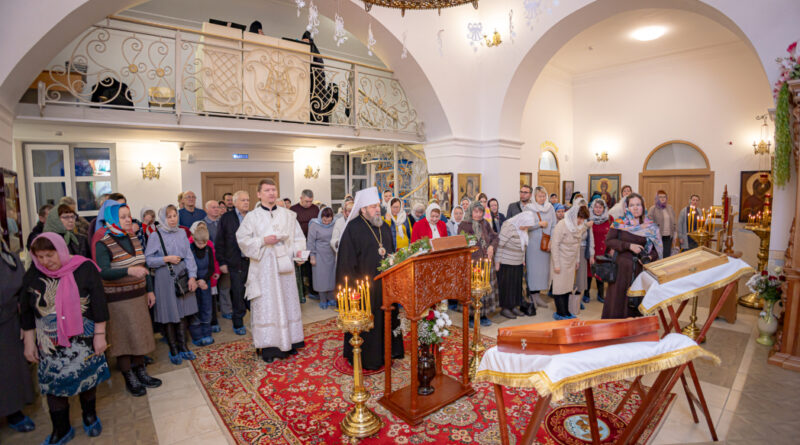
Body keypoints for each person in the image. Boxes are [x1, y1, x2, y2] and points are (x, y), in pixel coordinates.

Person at [21, 234, 110, 444]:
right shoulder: (34, 273)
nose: (45, 261)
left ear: (60, 250)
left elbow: (99, 305)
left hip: (83, 338)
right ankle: (61, 429)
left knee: (86, 379)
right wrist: (28, 342)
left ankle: (89, 416)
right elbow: (26, 311)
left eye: (50, 255)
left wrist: (100, 335)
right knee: (54, 386)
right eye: (39, 256)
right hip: (49, 342)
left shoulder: (84, 268)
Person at [95, 202, 160, 396]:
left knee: (139, 335)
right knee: (123, 339)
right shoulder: (103, 243)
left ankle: (141, 372)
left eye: (128, 216)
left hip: (138, 296)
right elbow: (104, 272)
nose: (127, 220)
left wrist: (150, 290)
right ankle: (129, 375)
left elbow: (143, 265)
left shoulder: (133, 237)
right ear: (112, 219)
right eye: (122, 217)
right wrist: (128, 270)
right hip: (118, 301)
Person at [238, 179, 307, 363]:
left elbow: (298, 238)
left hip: (285, 268)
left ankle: (291, 342)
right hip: (264, 270)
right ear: (259, 194)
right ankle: (270, 346)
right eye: (267, 190)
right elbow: (242, 240)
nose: (271, 193)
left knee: (287, 302)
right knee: (268, 306)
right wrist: (262, 241)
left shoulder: (288, 215)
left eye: (273, 189)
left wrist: (299, 255)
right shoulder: (251, 217)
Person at [335, 187, 404, 370]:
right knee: (369, 323)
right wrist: (351, 291)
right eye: (373, 206)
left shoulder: (385, 226)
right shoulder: (353, 228)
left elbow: (389, 253)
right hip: (364, 288)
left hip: (385, 285)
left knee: (388, 319)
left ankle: (388, 352)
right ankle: (368, 358)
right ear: (363, 209)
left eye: (378, 205)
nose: (377, 209)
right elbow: (346, 263)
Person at [146, 205, 199, 364]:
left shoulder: (182, 232)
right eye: (169, 216)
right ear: (163, 218)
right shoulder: (155, 236)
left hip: (182, 275)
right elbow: (148, 260)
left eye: (175, 215)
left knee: (183, 312)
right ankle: (173, 348)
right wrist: (166, 259)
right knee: (169, 313)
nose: (173, 219)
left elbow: (189, 256)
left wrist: (192, 276)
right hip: (165, 277)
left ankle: (183, 346)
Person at [602, 193, 662, 319]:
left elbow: (656, 249)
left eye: (638, 205)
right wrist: (628, 246)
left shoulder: (650, 226)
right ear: (627, 208)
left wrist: (650, 257)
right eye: (632, 205)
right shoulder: (619, 223)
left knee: (637, 303)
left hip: (641, 271)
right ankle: (616, 330)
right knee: (618, 301)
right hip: (621, 270)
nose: (635, 208)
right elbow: (609, 241)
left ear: (643, 207)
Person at [1, 238, 35, 435]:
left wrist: (25, 322)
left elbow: (23, 293)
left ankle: (14, 411)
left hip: (9, 324)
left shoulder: (10, 260)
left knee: (10, 371)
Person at [458, 202, 499, 326]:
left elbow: (495, 237)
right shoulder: (464, 225)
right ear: (471, 211)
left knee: (485, 289)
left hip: (485, 262)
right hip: (472, 263)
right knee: (472, 290)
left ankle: (484, 314)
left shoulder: (485, 223)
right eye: (475, 211)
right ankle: (471, 316)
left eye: (480, 212)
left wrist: (492, 246)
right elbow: (460, 243)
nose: (478, 214)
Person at [215, 190, 250, 335]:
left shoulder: (253, 216)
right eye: (243, 200)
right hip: (235, 261)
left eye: (248, 200)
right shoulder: (227, 218)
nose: (246, 203)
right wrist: (222, 262)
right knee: (237, 292)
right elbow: (220, 241)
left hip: (252, 261)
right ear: (235, 202)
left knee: (253, 292)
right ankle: (238, 323)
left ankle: (258, 320)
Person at [550, 203, 591, 320]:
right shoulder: (562, 224)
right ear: (574, 215)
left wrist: (577, 260)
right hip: (560, 260)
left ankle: (567, 312)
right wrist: (556, 264)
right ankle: (560, 313)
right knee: (559, 287)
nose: (581, 221)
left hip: (571, 261)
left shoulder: (579, 226)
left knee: (567, 287)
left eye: (583, 219)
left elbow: (577, 245)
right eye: (580, 218)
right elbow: (554, 245)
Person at [496, 211, 536, 319]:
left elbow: (523, 245)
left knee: (516, 286)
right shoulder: (508, 226)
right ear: (521, 220)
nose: (525, 228)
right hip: (506, 261)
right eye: (525, 225)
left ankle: (514, 306)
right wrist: (497, 262)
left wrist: (523, 259)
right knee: (507, 286)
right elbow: (500, 244)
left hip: (518, 262)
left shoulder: (523, 228)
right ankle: (505, 308)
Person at [187, 222, 219, 347]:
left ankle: (207, 333)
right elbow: (188, 266)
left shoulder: (209, 249)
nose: (201, 246)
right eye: (199, 243)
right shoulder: (189, 248)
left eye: (204, 243)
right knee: (195, 308)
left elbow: (211, 268)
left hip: (205, 282)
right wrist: (195, 280)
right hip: (193, 282)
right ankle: (197, 335)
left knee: (206, 307)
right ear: (194, 239)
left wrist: (204, 280)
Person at [526, 186, 557, 309]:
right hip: (533, 244)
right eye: (539, 196)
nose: (542, 198)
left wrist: (552, 241)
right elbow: (525, 225)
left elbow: (554, 225)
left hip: (546, 243)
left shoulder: (550, 208)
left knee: (543, 271)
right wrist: (538, 224)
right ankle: (532, 296)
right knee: (533, 271)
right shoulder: (528, 208)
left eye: (544, 196)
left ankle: (538, 295)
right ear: (534, 196)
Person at [291, 189, 319, 299]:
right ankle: (301, 292)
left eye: (310, 201)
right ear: (301, 198)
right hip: (299, 245)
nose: (309, 204)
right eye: (306, 201)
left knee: (312, 268)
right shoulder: (293, 209)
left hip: (313, 243)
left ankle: (313, 290)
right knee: (301, 268)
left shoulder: (315, 208)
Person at [308, 206, 337, 309]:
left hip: (332, 254)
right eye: (324, 220)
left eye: (329, 220)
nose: (326, 223)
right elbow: (310, 242)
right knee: (321, 278)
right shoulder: (314, 225)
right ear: (321, 217)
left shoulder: (335, 224)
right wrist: (312, 256)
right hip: (319, 255)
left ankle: (331, 297)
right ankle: (323, 299)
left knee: (331, 277)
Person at [588, 198, 613, 303]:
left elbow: (613, 235)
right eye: (596, 207)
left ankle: (600, 294)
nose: (598, 210)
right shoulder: (588, 219)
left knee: (601, 273)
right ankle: (586, 293)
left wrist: (612, 248)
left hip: (604, 250)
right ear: (592, 208)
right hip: (591, 249)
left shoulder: (610, 218)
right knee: (588, 273)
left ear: (604, 208)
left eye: (600, 207)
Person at [573, 198, 595, 311]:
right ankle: (572, 301)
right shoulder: (573, 219)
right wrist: (585, 226)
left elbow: (590, 238)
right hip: (574, 250)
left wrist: (591, 254)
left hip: (583, 251)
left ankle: (579, 300)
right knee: (573, 279)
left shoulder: (587, 218)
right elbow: (575, 235)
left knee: (581, 279)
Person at [648, 190, 677, 259]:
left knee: (666, 256)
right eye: (660, 197)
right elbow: (649, 224)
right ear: (657, 198)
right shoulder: (653, 209)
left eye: (664, 197)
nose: (663, 198)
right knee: (658, 256)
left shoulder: (670, 208)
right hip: (658, 237)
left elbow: (674, 222)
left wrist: (675, 234)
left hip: (668, 236)